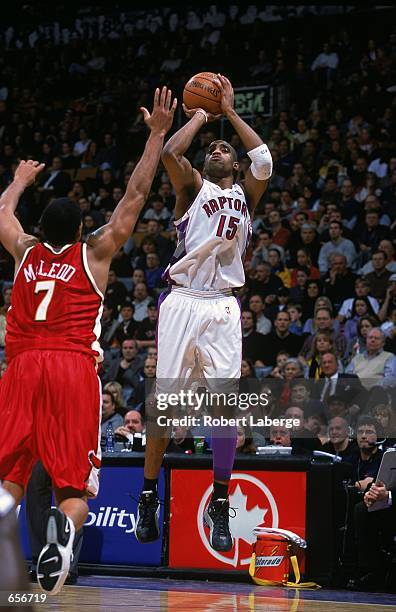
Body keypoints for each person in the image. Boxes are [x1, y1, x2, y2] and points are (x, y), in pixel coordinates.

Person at [0, 87, 176, 595]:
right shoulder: (93, 254)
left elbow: (4, 214)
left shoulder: (24, 252)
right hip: (71, 367)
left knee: (11, 477)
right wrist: (157, 135)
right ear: (80, 228)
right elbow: (135, 199)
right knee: (73, 487)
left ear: (41, 228)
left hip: (20, 369)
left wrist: (17, 180)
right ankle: (66, 531)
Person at [136, 74, 272, 553]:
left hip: (223, 305)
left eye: (223, 148)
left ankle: (219, 498)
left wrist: (229, 113)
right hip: (183, 299)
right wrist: (197, 115)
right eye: (211, 147)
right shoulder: (192, 187)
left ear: (234, 162)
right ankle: (149, 494)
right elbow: (172, 155)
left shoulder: (246, 195)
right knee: (165, 402)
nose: (216, 148)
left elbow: (265, 160)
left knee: (223, 407)